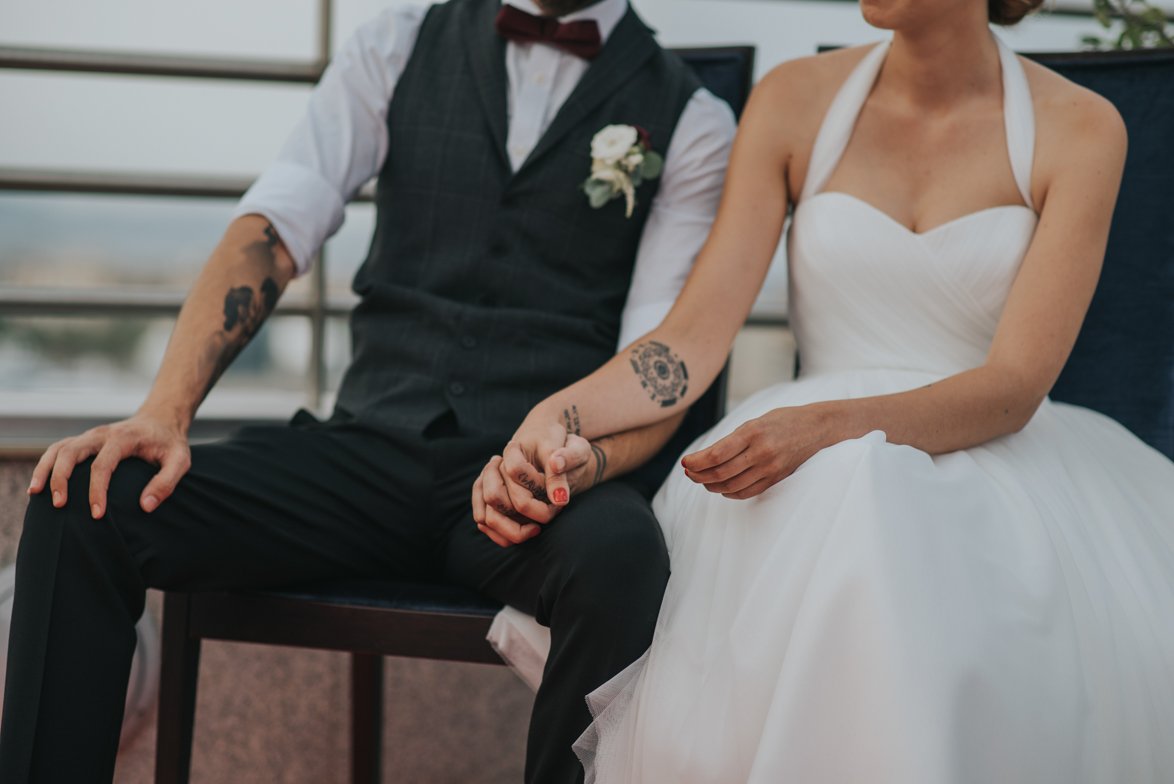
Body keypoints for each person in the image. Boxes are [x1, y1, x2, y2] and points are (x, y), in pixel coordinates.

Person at [0, 1, 738, 781]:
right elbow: (273, 230)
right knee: (84, 498)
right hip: (368, 453)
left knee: (621, 557)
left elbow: (662, 365)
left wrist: (574, 463)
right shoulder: (398, 42)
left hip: (529, 484)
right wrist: (164, 411)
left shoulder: (691, 117)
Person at [478, 0, 1174, 780]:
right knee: (852, 493)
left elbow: (1014, 387)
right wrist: (560, 414)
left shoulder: (1081, 128)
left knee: (873, 492)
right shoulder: (792, 98)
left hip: (985, 447)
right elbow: (692, 340)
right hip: (794, 457)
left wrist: (826, 429)